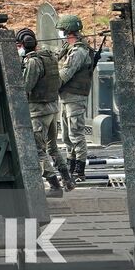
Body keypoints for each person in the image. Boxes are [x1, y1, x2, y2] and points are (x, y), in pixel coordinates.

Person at [18, 27, 74, 197]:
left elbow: (26, 86)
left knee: (37, 150)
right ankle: (67, 179)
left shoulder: (33, 62)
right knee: (53, 147)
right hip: (52, 108)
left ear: (23, 45)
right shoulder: (48, 56)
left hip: (38, 111)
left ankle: (55, 186)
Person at [57, 14, 95, 182]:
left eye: (62, 31)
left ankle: (79, 171)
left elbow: (65, 73)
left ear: (68, 31)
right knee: (66, 136)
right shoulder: (68, 48)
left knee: (76, 135)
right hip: (66, 97)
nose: (61, 34)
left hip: (75, 98)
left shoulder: (79, 51)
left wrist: (49, 84)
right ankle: (70, 168)